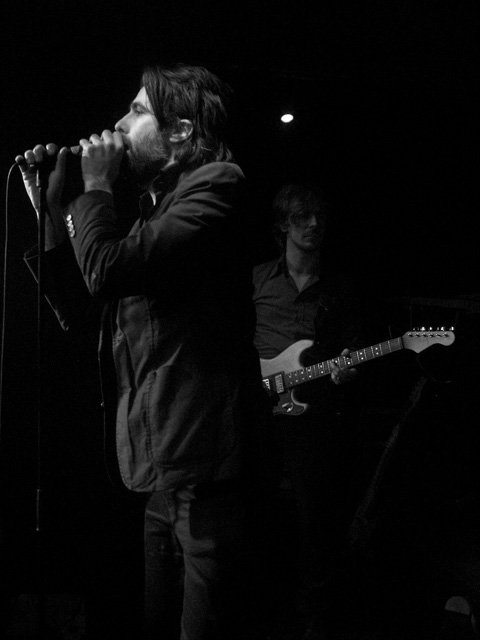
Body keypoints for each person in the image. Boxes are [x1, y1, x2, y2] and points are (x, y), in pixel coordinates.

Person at [16, 63, 265, 640]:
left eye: (136, 111)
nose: (119, 124)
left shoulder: (217, 186)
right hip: (163, 471)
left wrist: (96, 187)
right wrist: (49, 209)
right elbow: (86, 311)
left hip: (210, 476)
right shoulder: (154, 212)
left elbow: (106, 271)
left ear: (180, 131)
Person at [252, 183, 364, 639]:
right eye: (302, 216)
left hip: (312, 418)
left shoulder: (340, 288)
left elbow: (350, 350)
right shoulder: (257, 279)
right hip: (257, 416)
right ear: (283, 224)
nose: (314, 224)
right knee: (256, 521)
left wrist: (345, 371)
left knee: (315, 525)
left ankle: (315, 622)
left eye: (320, 216)